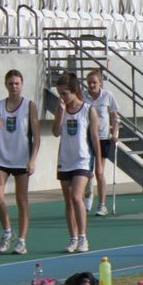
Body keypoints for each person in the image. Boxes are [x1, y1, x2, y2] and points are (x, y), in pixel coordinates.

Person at [0, 69, 39, 255]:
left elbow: (37, 136)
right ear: (6, 85)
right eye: (11, 83)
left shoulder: (29, 106)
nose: (14, 86)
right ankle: (7, 231)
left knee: (21, 199)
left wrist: (32, 160)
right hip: (1, 157)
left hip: (21, 159)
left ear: (22, 84)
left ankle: (22, 240)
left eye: (17, 83)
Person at [52, 72, 99, 250]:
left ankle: (83, 237)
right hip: (65, 159)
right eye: (60, 94)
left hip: (82, 160)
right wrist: (60, 112)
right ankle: (73, 237)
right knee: (68, 201)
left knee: (76, 197)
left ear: (74, 91)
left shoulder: (88, 110)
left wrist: (99, 165)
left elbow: (94, 138)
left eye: (65, 93)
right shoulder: (62, 110)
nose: (62, 97)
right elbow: (56, 132)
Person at [84, 70, 119, 217]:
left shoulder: (107, 95)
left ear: (100, 83)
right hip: (86, 137)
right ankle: (87, 199)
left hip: (103, 137)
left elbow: (115, 117)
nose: (92, 85)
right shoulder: (83, 95)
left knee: (99, 172)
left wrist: (115, 133)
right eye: (89, 82)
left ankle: (102, 205)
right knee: (86, 172)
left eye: (94, 82)